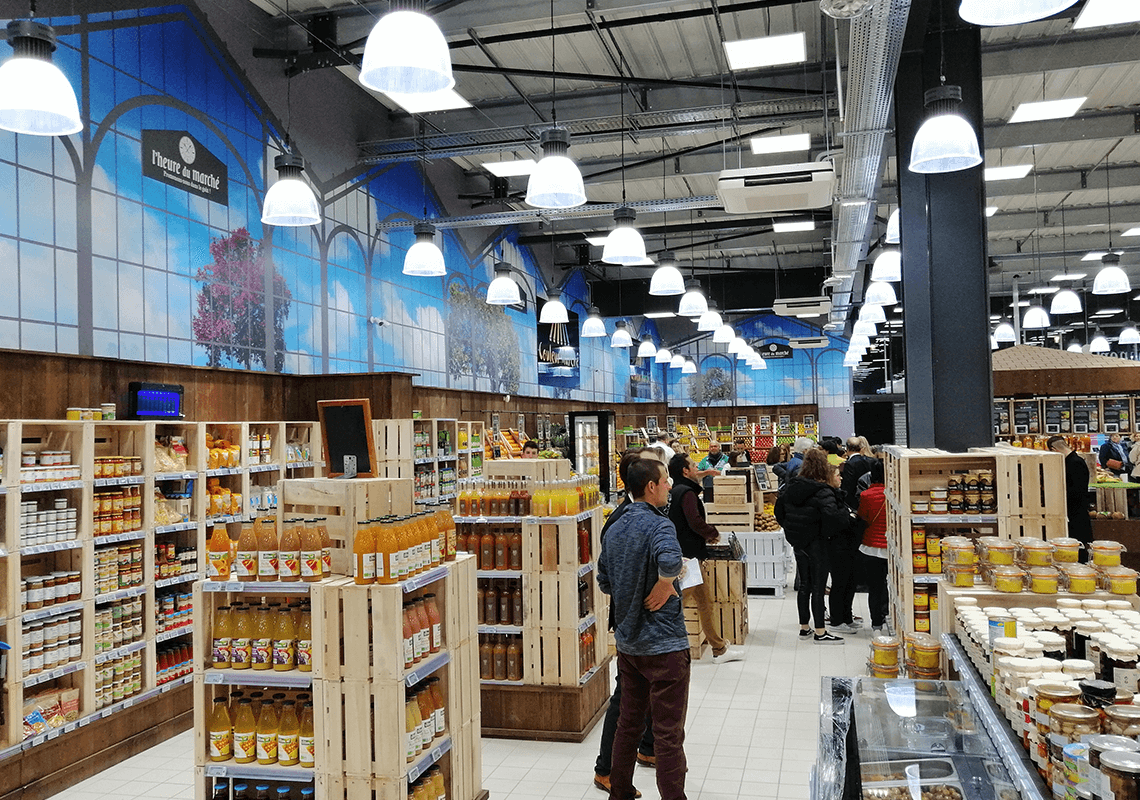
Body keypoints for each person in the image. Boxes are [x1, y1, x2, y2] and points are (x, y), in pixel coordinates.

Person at [597, 458, 690, 800]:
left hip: (629, 645)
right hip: (665, 646)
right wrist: (665, 584)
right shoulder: (659, 525)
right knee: (668, 734)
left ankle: (619, 791)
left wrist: (629, 591)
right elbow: (671, 560)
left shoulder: (614, 526)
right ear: (651, 487)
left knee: (628, 725)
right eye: (665, 481)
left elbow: (603, 580)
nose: (669, 486)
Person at [594, 450, 654, 794]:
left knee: (648, 685)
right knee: (625, 694)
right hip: (631, 618)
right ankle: (605, 768)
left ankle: (648, 747)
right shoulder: (619, 520)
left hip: (643, 617)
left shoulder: (645, 514)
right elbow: (607, 576)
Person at [667, 452, 745, 665]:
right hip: (689, 558)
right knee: (678, 605)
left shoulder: (676, 491)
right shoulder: (687, 493)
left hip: (686, 554)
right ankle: (665, 650)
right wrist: (712, 533)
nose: (697, 468)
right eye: (693, 465)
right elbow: (695, 521)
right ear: (685, 471)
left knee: (705, 603)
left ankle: (718, 648)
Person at [774, 449, 853, 644]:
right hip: (818, 542)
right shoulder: (823, 491)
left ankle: (804, 627)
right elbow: (833, 517)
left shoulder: (792, 487)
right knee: (819, 586)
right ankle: (820, 631)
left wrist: (792, 530)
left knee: (804, 586)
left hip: (798, 543)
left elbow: (779, 512)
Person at [856, 460, 890, 635]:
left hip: (870, 547)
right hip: (891, 548)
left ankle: (876, 624)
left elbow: (863, 518)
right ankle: (890, 616)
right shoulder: (894, 494)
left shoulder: (865, 495)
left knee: (875, 588)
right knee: (892, 586)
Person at [1049, 436, 1093, 560]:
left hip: (1076, 514)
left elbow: (1075, 491)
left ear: (1054, 450)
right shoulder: (1074, 460)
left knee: (1078, 549)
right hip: (1075, 512)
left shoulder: (1074, 463)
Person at [840, 437, 876, 509]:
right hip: (872, 499)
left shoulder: (849, 464)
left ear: (847, 448)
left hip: (855, 502)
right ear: (861, 448)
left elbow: (848, 486)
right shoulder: (872, 461)